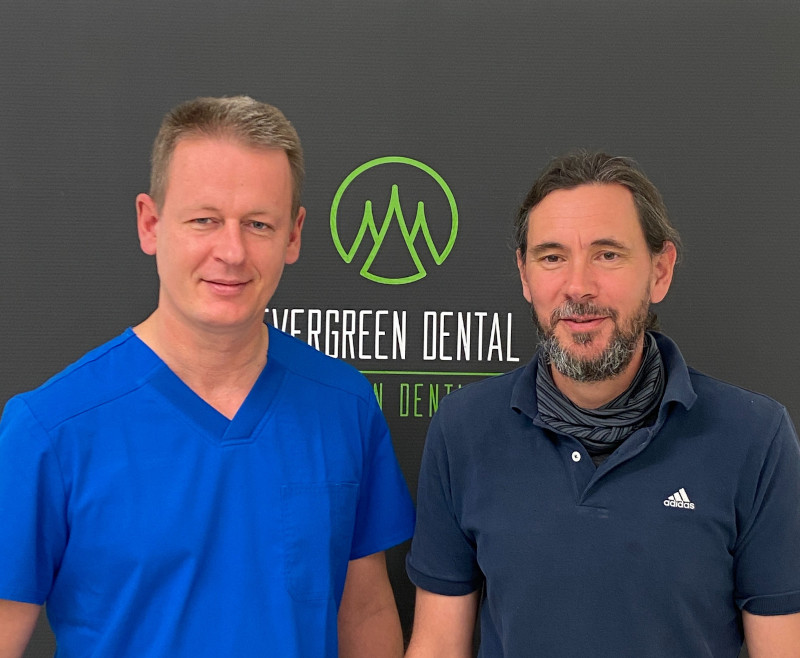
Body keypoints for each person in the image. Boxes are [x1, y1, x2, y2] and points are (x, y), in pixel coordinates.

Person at [0, 96, 414, 657]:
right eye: (205, 220)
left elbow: (364, 613)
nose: (232, 251)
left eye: (258, 224)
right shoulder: (50, 427)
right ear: (150, 223)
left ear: (293, 235)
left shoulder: (343, 405)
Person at [405, 151, 800, 657]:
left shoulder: (754, 437)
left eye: (607, 255)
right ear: (525, 275)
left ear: (660, 270)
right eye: (552, 257)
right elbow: (438, 644)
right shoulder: (464, 427)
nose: (578, 286)